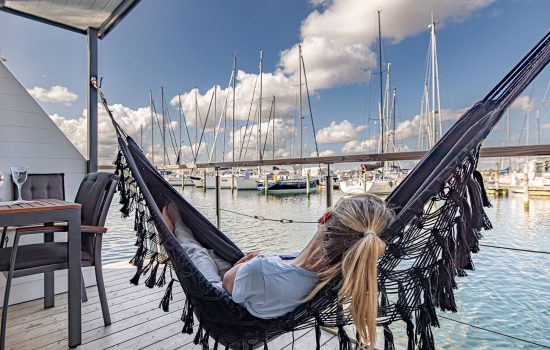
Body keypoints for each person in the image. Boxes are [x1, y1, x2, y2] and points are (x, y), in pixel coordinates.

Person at [163, 193, 393, 348]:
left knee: (197, 254)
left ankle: (177, 224)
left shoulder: (262, 270)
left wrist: (245, 265)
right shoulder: (337, 276)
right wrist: (251, 265)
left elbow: (227, 282)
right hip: (261, 291)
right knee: (215, 255)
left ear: (324, 218)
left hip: (227, 302)